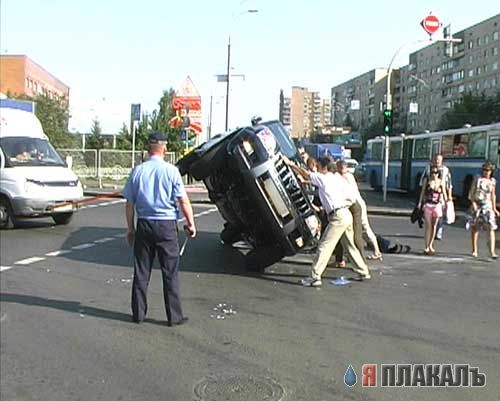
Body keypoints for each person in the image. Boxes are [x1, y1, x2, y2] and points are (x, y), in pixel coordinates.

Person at [123, 132, 196, 326]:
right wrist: (190, 224)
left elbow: (129, 204)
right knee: (170, 271)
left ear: (149, 147)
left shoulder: (137, 171)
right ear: (164, 147)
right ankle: (174, 316)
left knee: (141, 271)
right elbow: (183, 200)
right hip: (166, 226)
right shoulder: (171, 171)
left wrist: (130, 229)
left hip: (144, 223)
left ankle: (138, 314)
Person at [285, 155, 371, 286]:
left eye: (318, 166)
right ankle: (363, 271)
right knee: (349, 246)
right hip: (346, 213)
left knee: (324, 245)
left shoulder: (323, 178)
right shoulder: (336, 178)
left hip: (337, 216)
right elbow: (350, 196)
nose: (317, 168)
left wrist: (290, 164)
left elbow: (306, 174)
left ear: (323, 167)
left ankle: (315, 276)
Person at [336, 159, 383, 261]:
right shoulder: (347, 175)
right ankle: (369, 252)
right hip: (354, 204)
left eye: (340, 169)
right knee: (358, 230)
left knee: (364, 228)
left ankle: (377, 251)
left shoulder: (346, 176)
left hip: (357, 204)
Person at [468, 162, 499, 259]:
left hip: (488, 206)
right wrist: (473, 203)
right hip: (478, 204)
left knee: (491, 227)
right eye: (484, 170)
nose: (486, 172)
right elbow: (471, 192)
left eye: (488, 170)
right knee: (475, 228)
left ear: (491, 171)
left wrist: (494, 208)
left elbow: (493, 195)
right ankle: (474, 250)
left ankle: (492, 252)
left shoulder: (493, 181)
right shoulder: (478, 179)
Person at [419, 154, 453, 240]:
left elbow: (449, 183)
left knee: (439, 215)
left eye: (439, 160)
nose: (437, 161)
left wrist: (449, 196)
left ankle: (438, 232)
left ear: (442, 161)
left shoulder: (445, 170)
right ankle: (430, 231)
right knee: (430, 216)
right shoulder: (428, 168)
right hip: (429, 196)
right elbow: (423, 180)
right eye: (436, 159)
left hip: (440, 195)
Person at [418, 165, 448, 255]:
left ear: (438, 174)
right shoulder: (426, 181)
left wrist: (446, 204)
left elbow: (444, 194)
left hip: (437, 205)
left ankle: (431, 245)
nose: (434, 174)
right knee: (428, 225)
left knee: (434, 226)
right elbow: (422, 193)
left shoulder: (441, 182)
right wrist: (420, 203)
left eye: (436, 173)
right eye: (432, 173)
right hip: (428, 205)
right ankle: (426, 246)